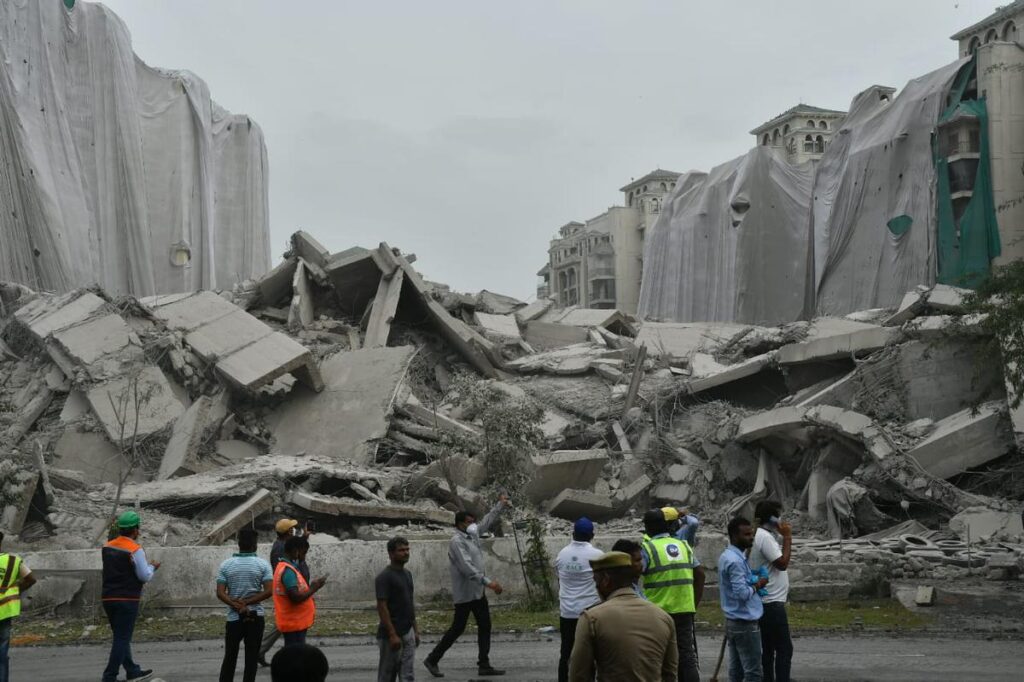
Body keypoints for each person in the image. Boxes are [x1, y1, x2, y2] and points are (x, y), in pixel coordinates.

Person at [424, 494, 509, 678]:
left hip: (477, 593)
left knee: (485, 626)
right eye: (469, 521)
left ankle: (484, 664)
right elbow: (467, 568)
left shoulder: (472, 535)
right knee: (457, 628)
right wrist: (489, 583)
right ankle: (432, 659)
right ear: (460, 523)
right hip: (465, 594)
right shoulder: (457, 542)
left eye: (473, 521)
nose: (473, 524)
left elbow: (487, 521)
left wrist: (500, 505)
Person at [567, 551, 677, 681]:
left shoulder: (591, 618)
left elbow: (578, 676)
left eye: (596, 581)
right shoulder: (663, 618)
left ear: (606, 580)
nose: (595, 587)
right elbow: (670, 675)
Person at [640, 507, 705, 682]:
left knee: (657, 656)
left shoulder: (647, 548)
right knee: (687, 656)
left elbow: (633, 574)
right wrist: (693, 604)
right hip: (684, 610)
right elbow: (700, 574)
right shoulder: (683, 545)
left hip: (658, 612)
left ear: (648, 528)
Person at [101, 510, 159, 682]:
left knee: (120, 636)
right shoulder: (135, 549)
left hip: (108, 597)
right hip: (127, 598)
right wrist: (153, 567)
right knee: (122, 638)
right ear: (135, 530)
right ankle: (109, 676)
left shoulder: (107, 546)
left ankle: (132, 670)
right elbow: (144, 576)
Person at [216, 528, 273, 682]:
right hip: (255, 617)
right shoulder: (263, 565)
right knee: (251, 658)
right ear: (255, 545)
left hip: (234, 618)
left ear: (238, 544)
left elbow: (220, 593)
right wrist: (247, 602)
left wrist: (236, 605)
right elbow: (269, 591)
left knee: (230, 657)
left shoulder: (226, 565)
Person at [718, 517, 768, 682]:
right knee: (753, 673)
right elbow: (742, 594)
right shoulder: (735, 561)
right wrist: (758, 584)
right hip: (744, 622)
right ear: (734, 536)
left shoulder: (729, 556)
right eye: (746, 534)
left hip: (734, 621)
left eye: (752, 534)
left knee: (737, 672)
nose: (751, 538)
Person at [554, 517, 604, 682]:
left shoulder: (562, 554)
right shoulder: (597, 556)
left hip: (567, 612)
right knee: (591, 654)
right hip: (590, 612)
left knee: (566, 653)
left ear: (573, 533)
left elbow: (560, 580)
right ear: (592, 535)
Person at [749, 501, 793, 682]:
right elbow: (782, 564)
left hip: (765, 601)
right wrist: (788, 537)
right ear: (773, 518)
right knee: (784, 648)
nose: (782, 520)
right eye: (779, 515)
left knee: (768, 648)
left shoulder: (758, 535)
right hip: (772, 602)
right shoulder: (765, 537)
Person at [259, 518, 309, 666]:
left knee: (284, 624)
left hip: (290, 591)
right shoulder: (281, 549)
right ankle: (261, 651)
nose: (296, 530)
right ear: (288, 531)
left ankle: (261, 650)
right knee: (284, 624)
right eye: (293, 528)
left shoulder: (283, 545)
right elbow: (289, 571)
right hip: (289, 593)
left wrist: (304, 538)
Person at [376, 536, 419, 682]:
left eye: (407, 549)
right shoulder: (384, 577)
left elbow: (409, 602)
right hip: (391, 635)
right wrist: (392, 634)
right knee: (387, 676)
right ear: (391, 554)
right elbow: (382, 606)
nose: (406, 553)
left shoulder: (407, 574)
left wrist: (415, 630)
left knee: (407, 675)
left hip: (408, 632)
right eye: (401, 550)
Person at [272, 536, 326, 647]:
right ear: (295, 551)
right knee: (295, 655)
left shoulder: (286, 566)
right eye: (303, 553)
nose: (304, 556)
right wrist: (313, 588)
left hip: (293, 621)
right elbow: (295, 598)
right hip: (294, 622)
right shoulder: (288, 571)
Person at [0, 530, 35, 682]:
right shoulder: (13, 561)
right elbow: (30, 579)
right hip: (5, 611)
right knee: (2, 653)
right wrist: (16, 590)